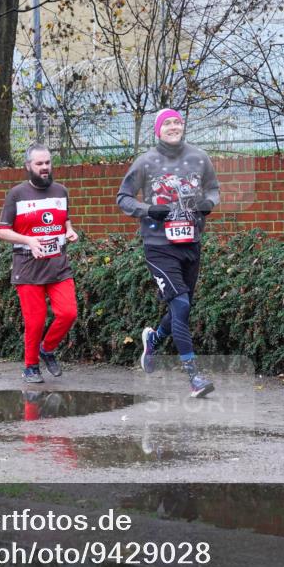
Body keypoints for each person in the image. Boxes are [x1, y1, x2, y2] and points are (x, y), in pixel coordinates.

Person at [116, 109, 218, 398]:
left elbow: (213, 189)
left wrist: (209, 203)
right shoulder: (146, 162)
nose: (173, 126)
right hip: (159, 247)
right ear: (157, 130)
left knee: (180, 307)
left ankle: (154, 339)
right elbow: (122, 198)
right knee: (182, 306)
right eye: (167, 123)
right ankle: (194, 377)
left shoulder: (200, 158)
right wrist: (149, 210)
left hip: (190, 243)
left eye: (177, 122)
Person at [0, 144, 79, 383]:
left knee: (68, 313)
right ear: (28, 166)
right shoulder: (17, 194)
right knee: (35, 321)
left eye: (48, 163)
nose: (45, 168)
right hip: (28, 267)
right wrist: (28, 240)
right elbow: (2, 231)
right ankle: (31, 366)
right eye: (39, 164)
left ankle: (47, 349)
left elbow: (66, 220)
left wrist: (70, 231)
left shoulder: (61, 191)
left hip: (58, 266)